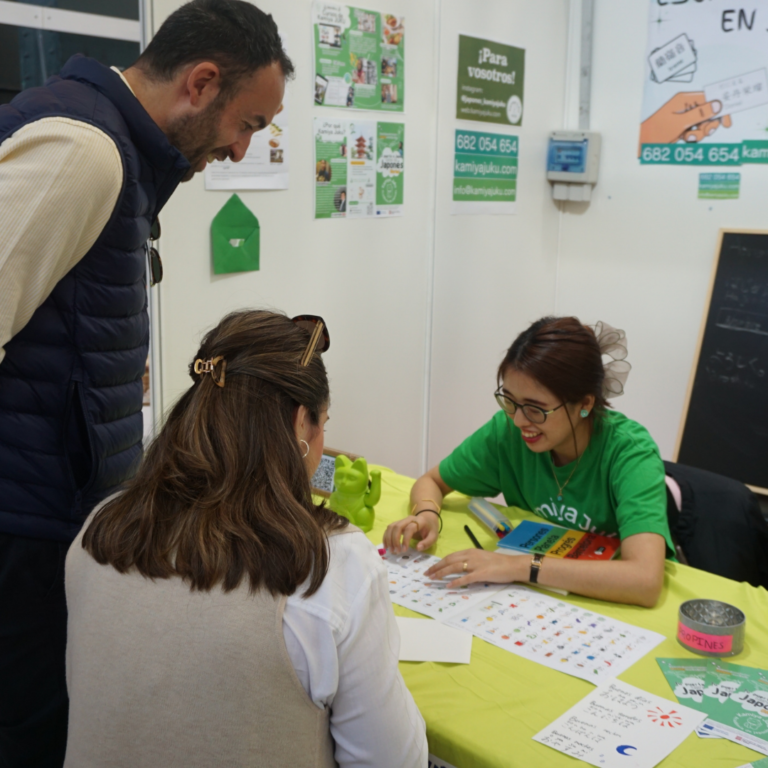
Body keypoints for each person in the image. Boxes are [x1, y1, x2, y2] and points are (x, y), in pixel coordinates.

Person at [0, 2, 292, 765]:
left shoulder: (121, 159)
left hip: (50, 519)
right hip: (19, 532)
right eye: (250, 124)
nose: (240, 149)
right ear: (201, 83)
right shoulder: (85, 151)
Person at [63, 310, 428, 768]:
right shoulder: (332, 565)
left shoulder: (100, 531)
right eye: (324, 425)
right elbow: (392, 760)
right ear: (301, 424)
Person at [384, 317, 674, 609]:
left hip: (610, 605)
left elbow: (644, 580)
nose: (519, 420)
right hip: (543, 599)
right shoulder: (507, 432)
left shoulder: (629, 452)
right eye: (509, 400)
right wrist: (426, 514)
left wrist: (518, 567)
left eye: (537, 409)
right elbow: (433, 481)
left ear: (585, 405)